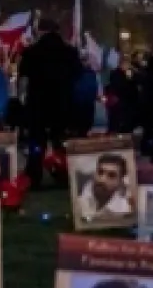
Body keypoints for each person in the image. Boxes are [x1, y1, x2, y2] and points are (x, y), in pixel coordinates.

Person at [18, 19, 82, 189]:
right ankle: (64, 175)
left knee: (36, 143)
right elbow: (78, 75)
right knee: (60, 142)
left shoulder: (32, 52)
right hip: (62, 104)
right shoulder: (69, 51)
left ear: (41, 31)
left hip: (38, 104)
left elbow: (23, 77)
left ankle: (34, 175)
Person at [76, 152, 133, 220]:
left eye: (111, 175)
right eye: (100, 172)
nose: (102, 179)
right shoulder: (78, 202)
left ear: (120, 182)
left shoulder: (124, 210)